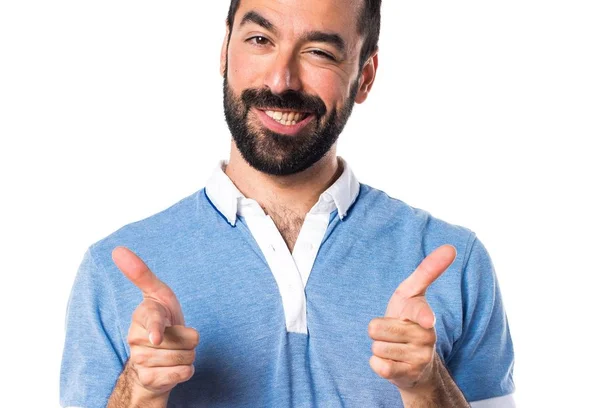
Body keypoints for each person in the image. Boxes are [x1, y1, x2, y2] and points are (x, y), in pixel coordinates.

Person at [60, 0, 515, 406]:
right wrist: (140, 392)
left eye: (319, 52)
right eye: (260, 39)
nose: (281, 80)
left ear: (365, 76)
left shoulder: (453, 262)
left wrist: (426, 387)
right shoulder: (113, 272)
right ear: (224, 51)